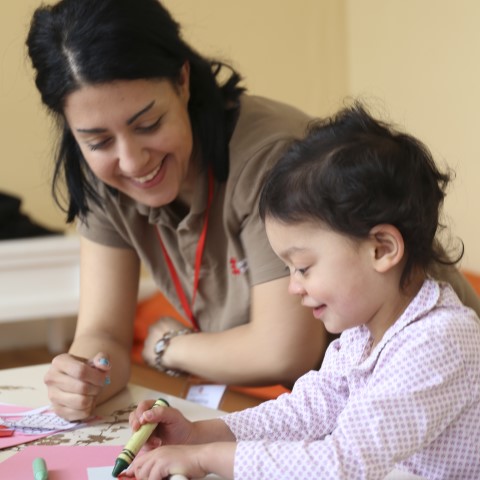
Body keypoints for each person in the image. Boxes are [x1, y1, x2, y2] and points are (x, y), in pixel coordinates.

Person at [26, 0, 480, 422]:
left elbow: (285, 351)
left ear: (183, 81)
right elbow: (103, 332)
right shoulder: (103, 179)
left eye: (148, 125)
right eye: (98, 141)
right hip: (329, 401)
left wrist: (168, 346)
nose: (131, 161)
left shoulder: (271, 160)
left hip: (425, 407)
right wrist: (85, 374)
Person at [124, 104, 480, 480]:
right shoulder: (362, 334)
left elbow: (342, 464)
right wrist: (201, 434)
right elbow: (306, 410)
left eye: (304, 268)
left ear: (382, 249)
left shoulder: (440, 341)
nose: (294, 287)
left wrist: (206, 459)